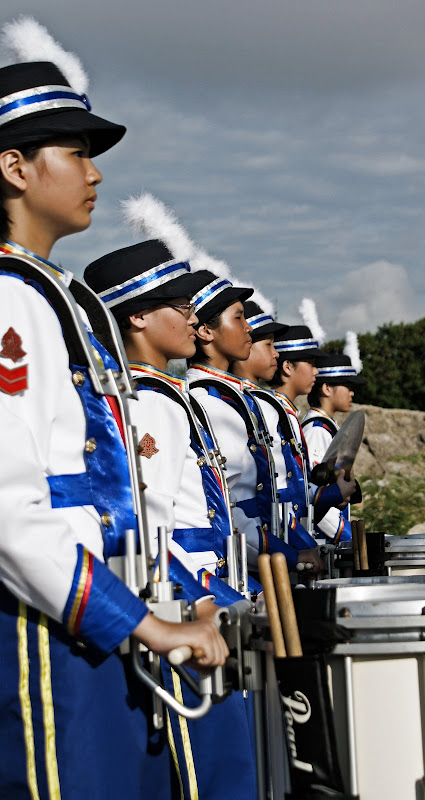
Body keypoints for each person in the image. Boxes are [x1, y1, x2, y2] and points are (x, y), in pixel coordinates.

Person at [0, 19, 226, 799]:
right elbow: (10, 509)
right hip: (46, 630)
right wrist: (144, 624)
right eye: (75, 152)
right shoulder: (8, 300)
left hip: (98, 621)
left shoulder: (52, 294)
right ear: (15, 167)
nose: (94, 173)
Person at [84, 198, 257, 800]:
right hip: (183, 599)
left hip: (207, 586)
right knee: (210, 771)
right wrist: (203, 599)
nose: (191, 318)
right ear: (137, 317)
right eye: (179, 307)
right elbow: (147, 527)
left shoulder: (167, 393)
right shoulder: (147, 402)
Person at [186, 267, 317, 573]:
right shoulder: (207, 400)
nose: (248, 329)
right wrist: (289, 555)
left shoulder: (231, 397)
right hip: (229, 564)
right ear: (205, 331)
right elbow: (226, 508)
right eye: (239, 318)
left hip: (256, 552)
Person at [231, 298, 322, 570]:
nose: (276, 354)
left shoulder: (258, 403)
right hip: (247, 555)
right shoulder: (228, 402)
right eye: (269, 345)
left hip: (270, 542)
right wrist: (293, 554)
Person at [268, 322, 357, 534]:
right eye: (310, 363)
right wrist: (345, 536)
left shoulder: (288, 415)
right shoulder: (315, 429)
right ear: (287, 367)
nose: (316, 371)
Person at [302, 335, 364, 543]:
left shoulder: (327, 427)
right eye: (347, 386)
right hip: (323, 541)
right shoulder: (317, 430)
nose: (352, 393)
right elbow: (316, 496)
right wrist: (350, 538)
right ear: (327, 388)